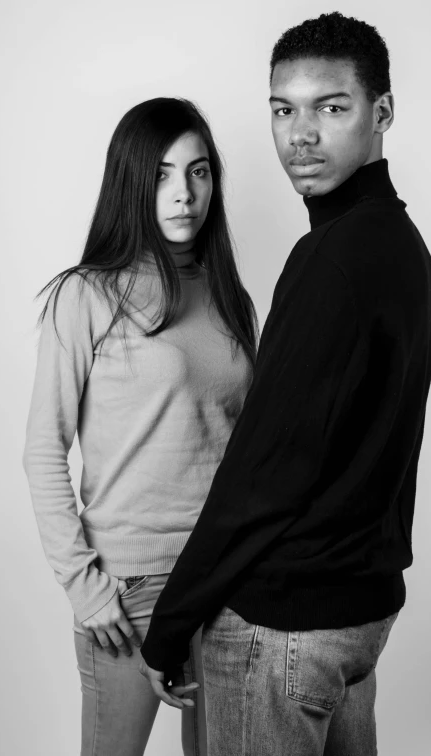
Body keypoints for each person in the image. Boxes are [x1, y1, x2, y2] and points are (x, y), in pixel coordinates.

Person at [139, 12, 431, 756]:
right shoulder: (401, 246)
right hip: (357, 616)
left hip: (288, 628)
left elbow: (265, 472)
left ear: (382, 113)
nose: (300, 133)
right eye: (283, 109)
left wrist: (173, 620)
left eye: (330, 107)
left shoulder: (333, 261)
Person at [22, 97, 257, 756]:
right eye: (160, 173)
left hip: (227, 582)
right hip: (131, 591)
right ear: (131, 181)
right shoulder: (87, 295)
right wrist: (85, 588)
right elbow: (43, 450)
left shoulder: (230, 297)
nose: (184, 192)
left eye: (200, 171)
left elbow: (248, 449)